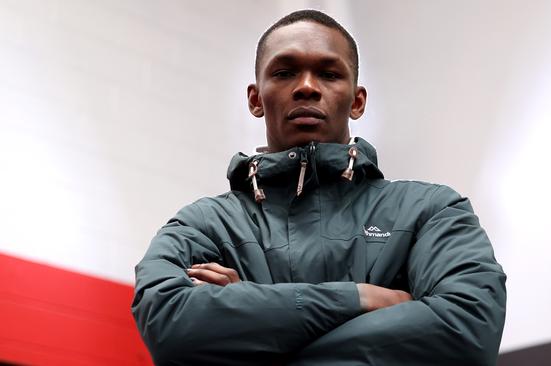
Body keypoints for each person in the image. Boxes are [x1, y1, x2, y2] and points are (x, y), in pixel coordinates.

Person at [132, 9, 506, 366]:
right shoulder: (204, 224)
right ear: (255, 99)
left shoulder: (431, 210)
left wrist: (248, 315)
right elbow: (171, 322)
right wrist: (359, 298)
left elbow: (465, 328)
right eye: (284, 72)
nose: (307, 87)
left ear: (357, 101)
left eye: (328, 74)